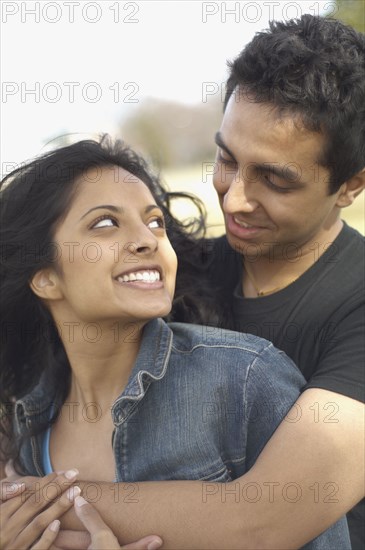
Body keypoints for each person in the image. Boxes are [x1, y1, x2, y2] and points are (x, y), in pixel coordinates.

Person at [1, 136, 349, 550]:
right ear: (45, 277)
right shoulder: (28, 413)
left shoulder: (244, 379)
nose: (148, 239)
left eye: (155, 222)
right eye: (106, 223)